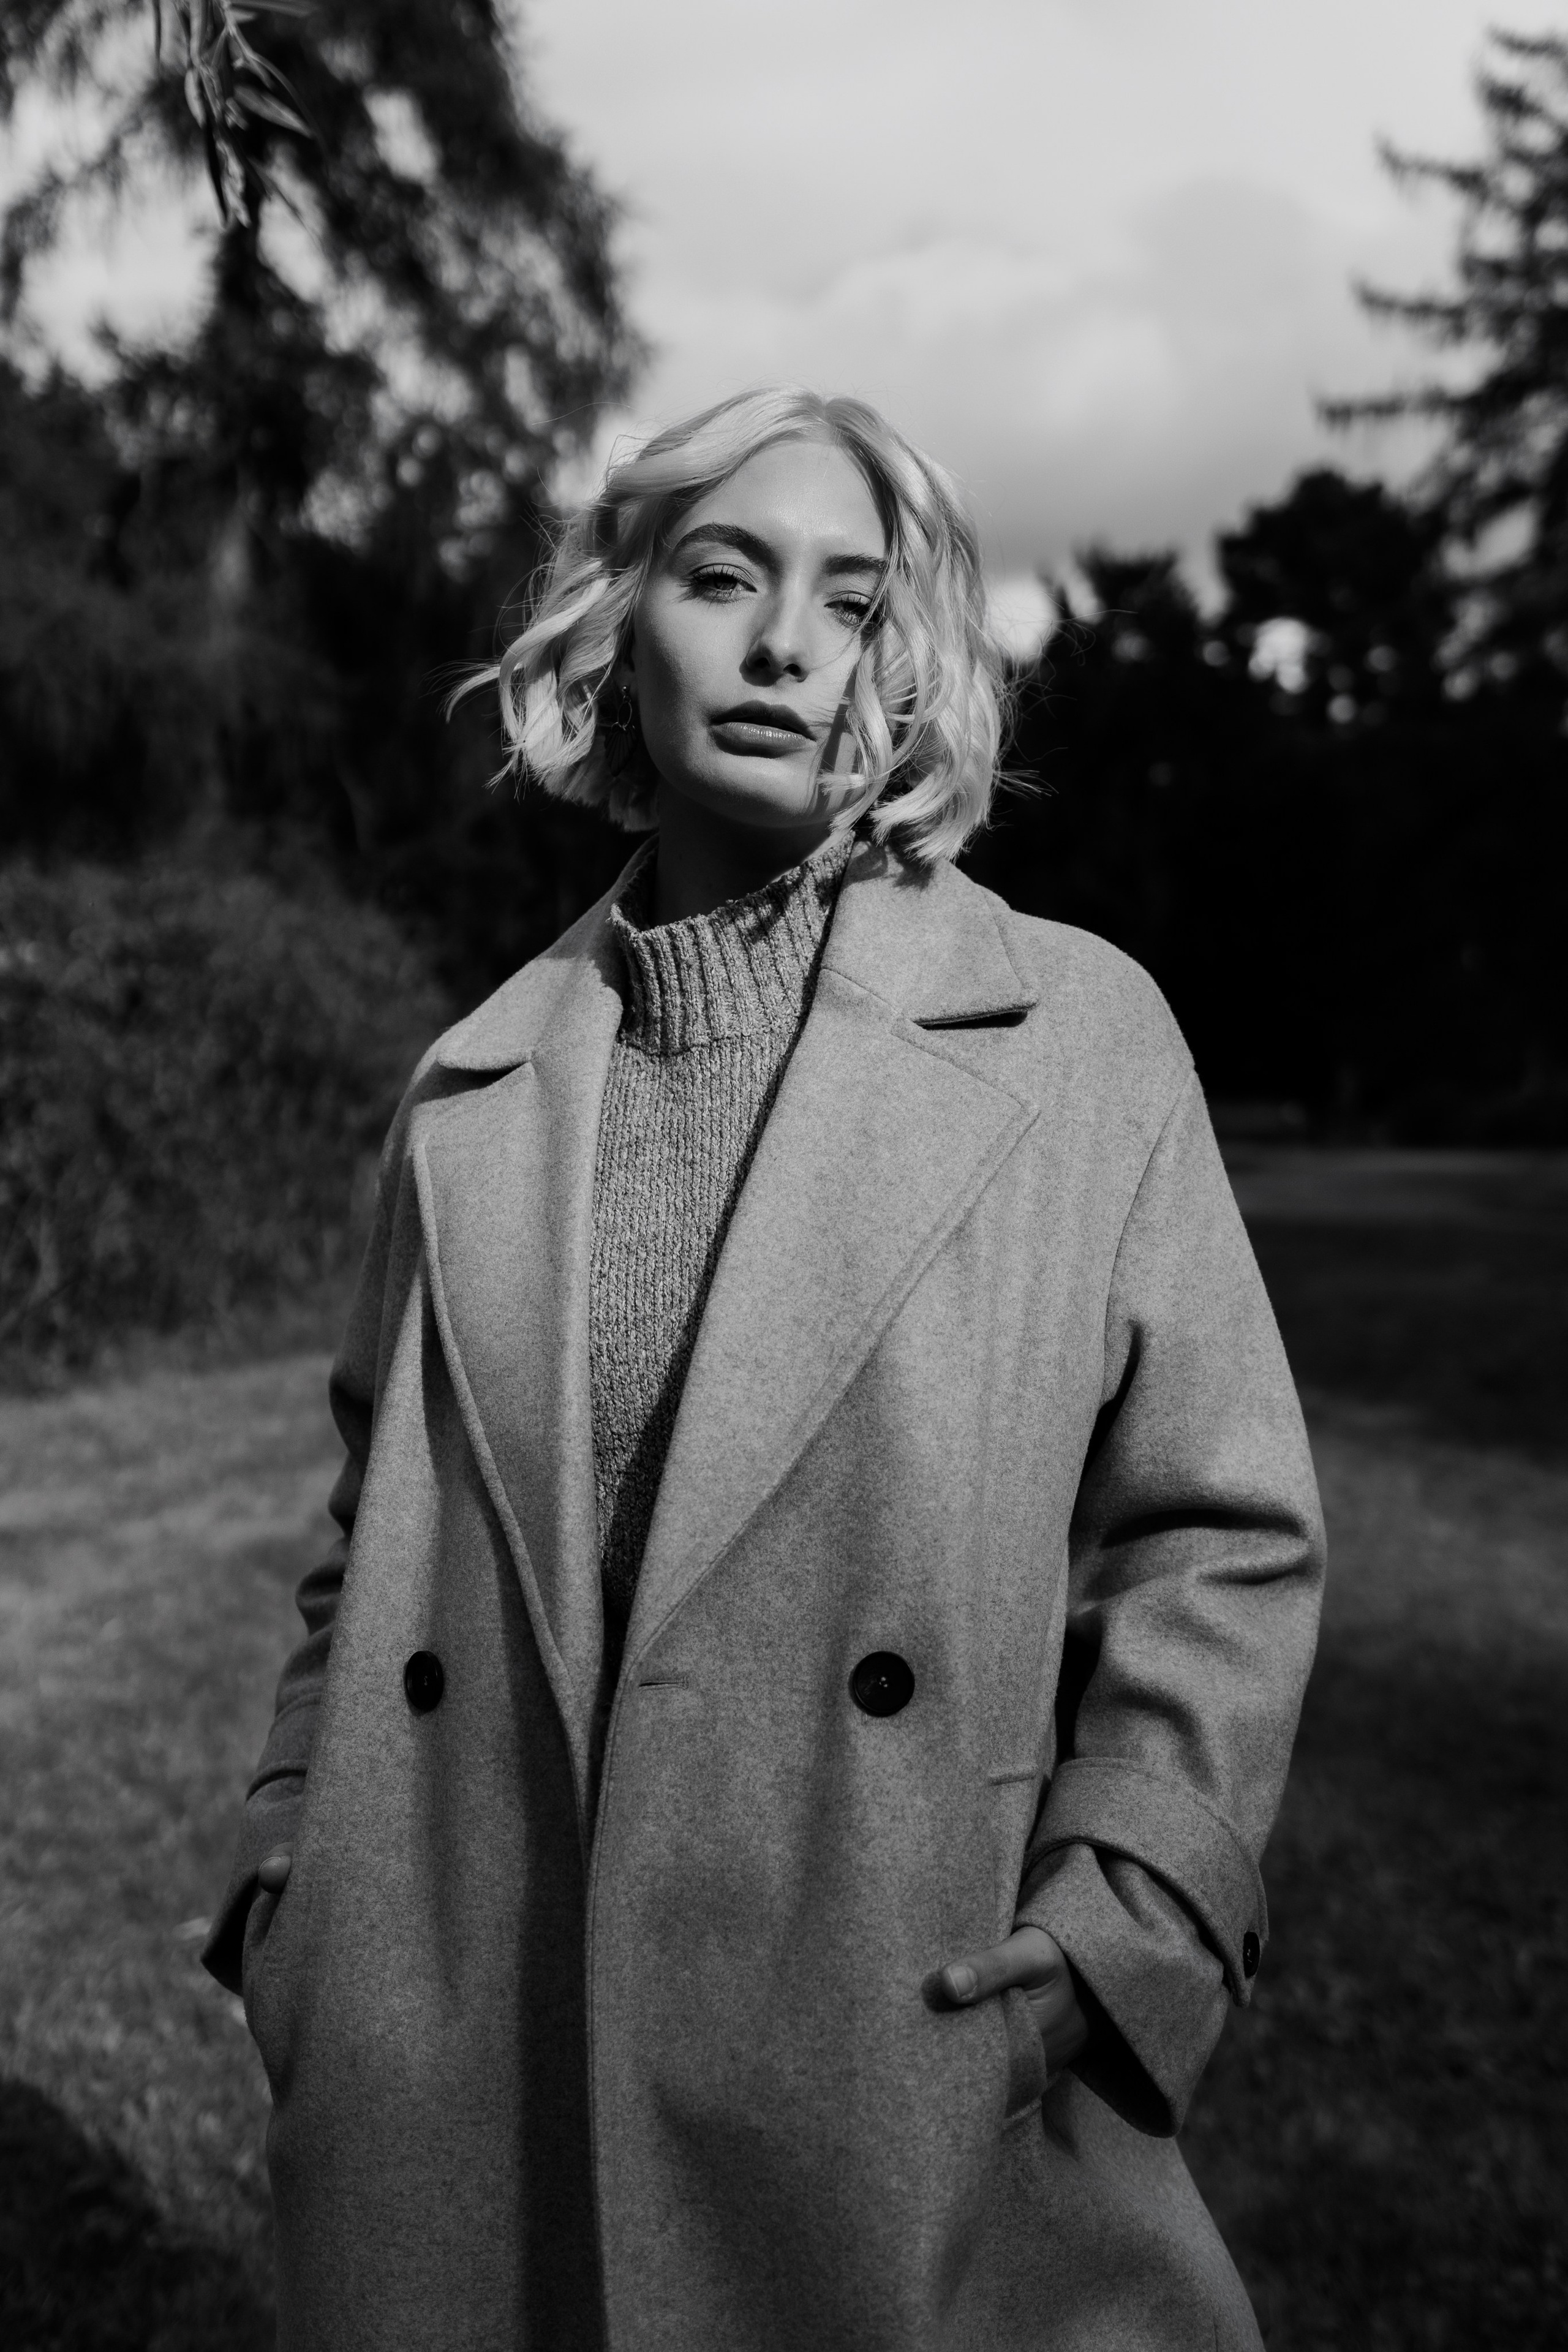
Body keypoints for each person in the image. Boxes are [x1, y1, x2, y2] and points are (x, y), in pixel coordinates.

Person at [204, 386, 1325, 2351]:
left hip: (895, 2035)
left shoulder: (1079, 1039)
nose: (788, 644)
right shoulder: (469, 1088)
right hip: (459, 2038)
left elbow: (1219, 1535)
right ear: (621, 625)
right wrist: (293, 1877)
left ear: (908, 660)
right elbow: (363, 1550)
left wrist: (1125, 1921)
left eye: (852, 600)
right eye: (726, 577)